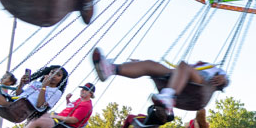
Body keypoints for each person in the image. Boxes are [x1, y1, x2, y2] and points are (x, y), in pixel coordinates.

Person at [91, 48, 228, 115]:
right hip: (182, 79)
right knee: (150, 64)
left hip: (200, 86)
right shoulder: (191, 66)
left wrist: (223, 80)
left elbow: (226, 81)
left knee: (183, 66)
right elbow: (179, 71)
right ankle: (110, 69)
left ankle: (168, 97)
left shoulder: (215, 68)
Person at [2, 82, 94, 128]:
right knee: (37, 114)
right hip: (60, 120)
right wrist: (68, 100)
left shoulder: (86, 105)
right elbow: (71, 110)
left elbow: (73, 119)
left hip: (64, 126)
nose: (82, 91)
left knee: (36, 121)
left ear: (91, 93)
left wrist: (56, 116)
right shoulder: (80, 100)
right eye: (82, 89)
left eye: (85, 90)